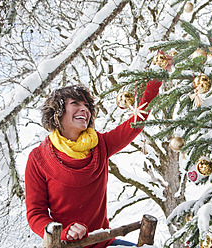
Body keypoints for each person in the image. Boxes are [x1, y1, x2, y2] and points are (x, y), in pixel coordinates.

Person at [25, 57, 171, 247]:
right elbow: (35, 213)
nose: (84, 109)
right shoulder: (38, 158)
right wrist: (63, 232)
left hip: (105, 243)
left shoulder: (100, 145)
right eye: (76, 103)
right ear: (58, 111)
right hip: (66, 245)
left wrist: (156, 77)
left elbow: (136, 122)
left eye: (87, 106)